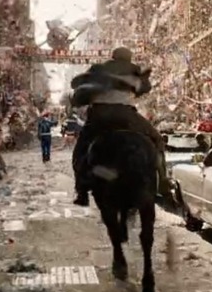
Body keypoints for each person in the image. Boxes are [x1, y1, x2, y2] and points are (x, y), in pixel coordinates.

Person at [70, 47, 169, 206]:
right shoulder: (135, 71)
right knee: (157, 140)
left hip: (99, 115)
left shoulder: (98, 70)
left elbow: (80, 92)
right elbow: (145, 89)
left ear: (113, 56)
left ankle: (81, 191)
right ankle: (163, 181)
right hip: (126, 115)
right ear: (129, 58)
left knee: (81, 149)